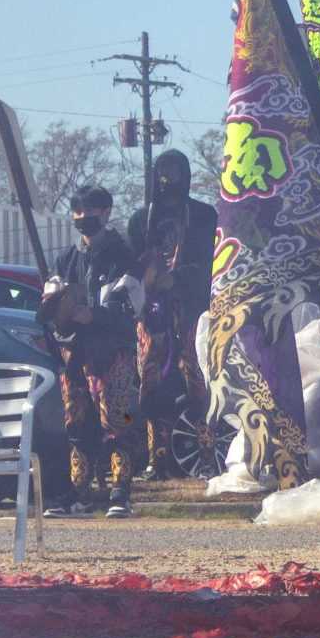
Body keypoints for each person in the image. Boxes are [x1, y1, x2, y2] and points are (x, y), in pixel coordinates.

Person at [37, 185, 145, 517]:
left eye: (90, 212)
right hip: (75, 354)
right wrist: (57, 312)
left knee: (118, 419)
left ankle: (120, 490)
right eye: (78, 212)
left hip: (114, 351)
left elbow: (131, 306)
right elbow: (51, 305)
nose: (83, 219)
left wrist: (94, 315)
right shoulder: (65, 259)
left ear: (106, 212)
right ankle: (78, 490)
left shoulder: (124, 257)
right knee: (76, 422)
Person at [127, 150, 216, 478]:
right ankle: (157, 457)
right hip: (152, 313)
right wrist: (149, 279)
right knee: (152, 380)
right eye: (163, 171)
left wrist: (177, 278)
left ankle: (206, 452)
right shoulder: (140, 219)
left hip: (191, 309)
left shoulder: (204, 216)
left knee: (198, 379)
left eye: (175, 170)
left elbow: (212, 264)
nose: (168, 178)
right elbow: (131, 268)